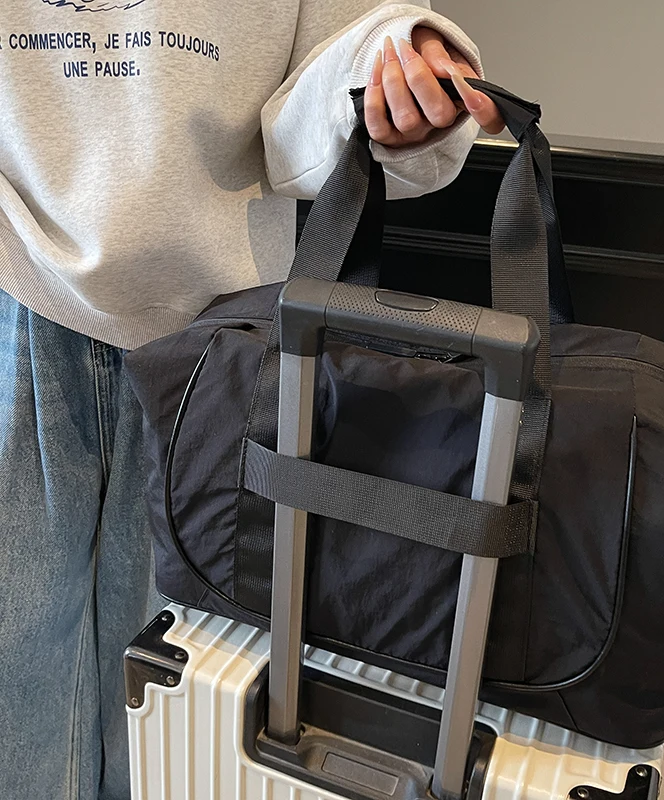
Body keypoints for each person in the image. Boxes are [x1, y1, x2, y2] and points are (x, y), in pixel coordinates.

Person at [0, 1, 504, 799]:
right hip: (14, 275)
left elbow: (338, 62)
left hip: (223, 324)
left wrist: (391, 66)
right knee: (19, 661)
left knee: (184, 672)